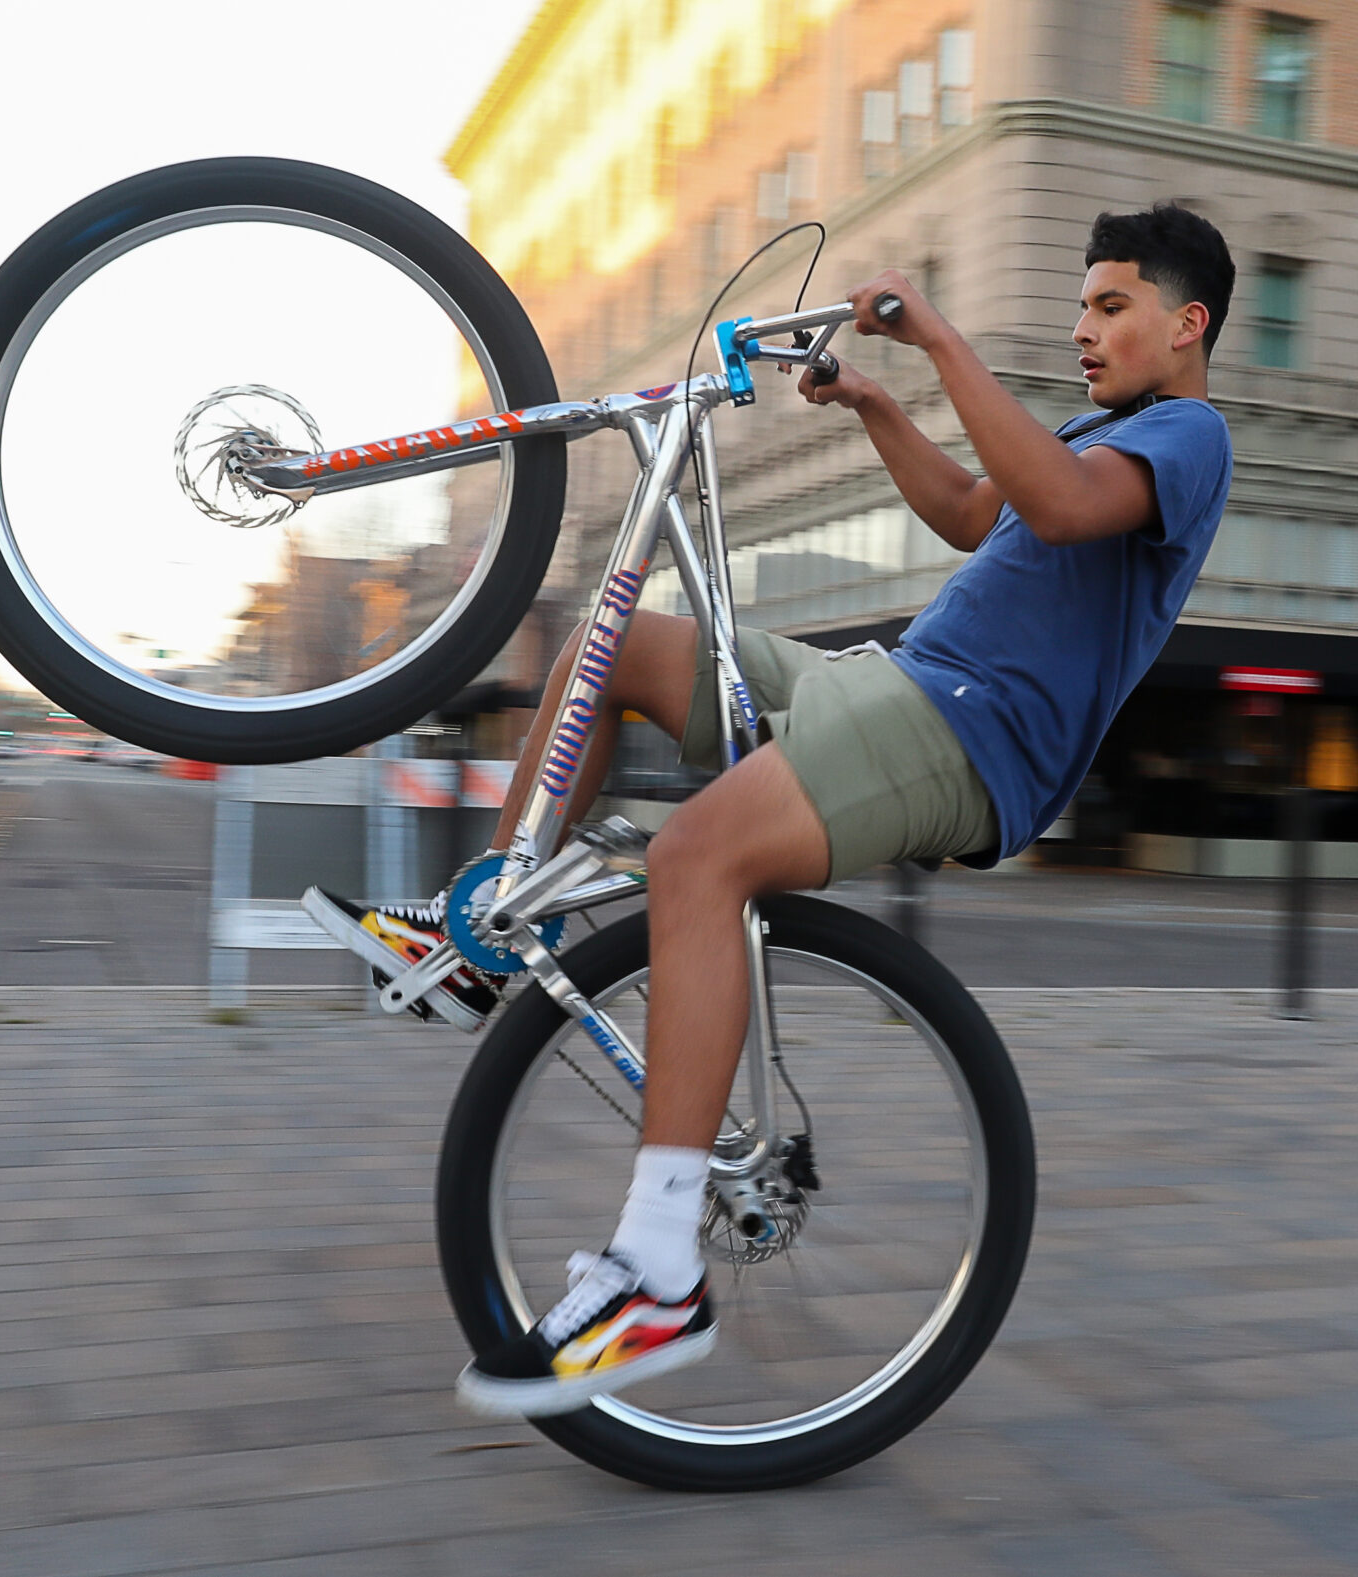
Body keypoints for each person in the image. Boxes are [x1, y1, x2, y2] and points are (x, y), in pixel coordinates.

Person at [342, 202, 1235, 1417]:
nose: (1083, 327)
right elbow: (983, 513)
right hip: (889, 680)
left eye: (1110, 306)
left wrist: (939, 341)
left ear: (1186, 324)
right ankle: (490, 938)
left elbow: (1065, 506)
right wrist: (876, 404)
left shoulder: (1187, 434)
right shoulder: (1098, 431)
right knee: (617, 653)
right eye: (1080, 304)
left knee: (696, 862)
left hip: (965, 732)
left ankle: (656, 1266)